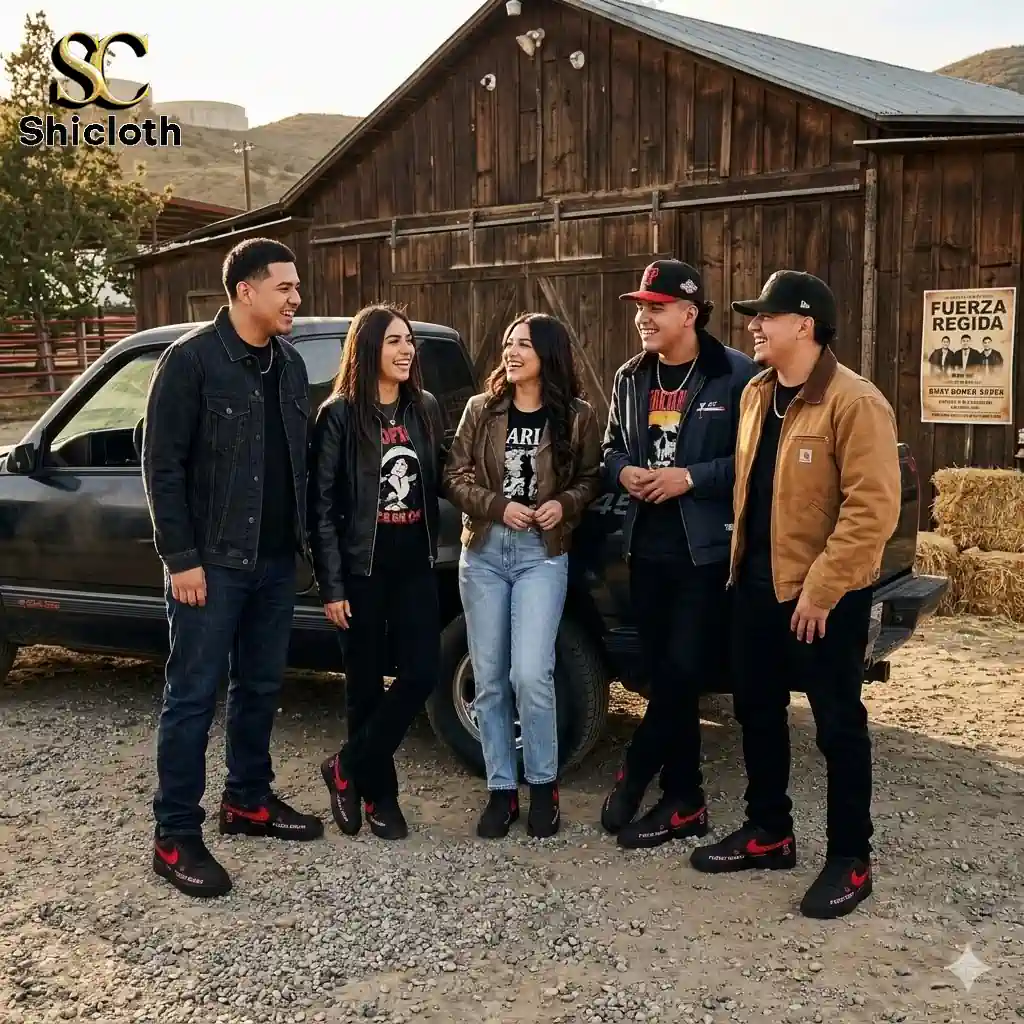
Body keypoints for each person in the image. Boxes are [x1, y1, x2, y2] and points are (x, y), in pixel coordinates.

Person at [689, 270, 902, 920]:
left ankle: (851, 859)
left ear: (805, 325)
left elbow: (871, 510)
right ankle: (769, 832)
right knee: (756, 710)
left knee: (838, 726)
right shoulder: (757, 394)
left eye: (766, 316)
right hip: (755, 588)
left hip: (823, 600)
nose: (753, 326)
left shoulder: (854, 402)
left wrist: (822, 589)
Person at [142, 237, 323, 900]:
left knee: (260, 687)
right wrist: (181, 559)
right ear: (246, 290)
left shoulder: (290, 365)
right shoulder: (191, 361)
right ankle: (174, 837)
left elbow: (299, 465)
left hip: (273, 564)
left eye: (296, 288)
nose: (296, 298)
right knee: (192, 697)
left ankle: (247, 800)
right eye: (285, 287)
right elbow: (161, 465)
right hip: (211, 566)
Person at [599, 259, 757, 849]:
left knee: (684, 670)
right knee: (664, 675)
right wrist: (625, 472)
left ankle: (638, 768)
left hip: (705, 550)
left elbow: (754, 460)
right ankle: (685, 800)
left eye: (656, 307)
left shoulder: (734, 375)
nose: (643, 317)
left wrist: (689, 478)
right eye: (640, 307)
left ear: (689, 314)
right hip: (645, 547)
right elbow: (610, 449)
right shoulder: (630, 376)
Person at [444, 313, 602, 839]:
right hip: (484, 553)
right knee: (489, 679)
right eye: (509, 343)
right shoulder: (481, 409)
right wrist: (496, 505)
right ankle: (500, 790)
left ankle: (543, 786)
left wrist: (565, 503)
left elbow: (591, 478)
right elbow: (454, 475)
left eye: (524, 345)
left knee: (531, 674)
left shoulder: (576, 416)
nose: (511, 352)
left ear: (548, 354)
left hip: (542, 553)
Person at [309, 305, 445, 840]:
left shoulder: (424, 408)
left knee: (422, 672)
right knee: (363, 685)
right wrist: (332, 585)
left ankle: (345, 766)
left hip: (414, 562)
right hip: (361, 567)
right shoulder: (339, 414)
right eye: (393, 341)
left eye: (409, 340)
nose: (406, 349)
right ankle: (380, 798)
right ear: (368, 348)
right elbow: (320, 507)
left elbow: (444, 474)